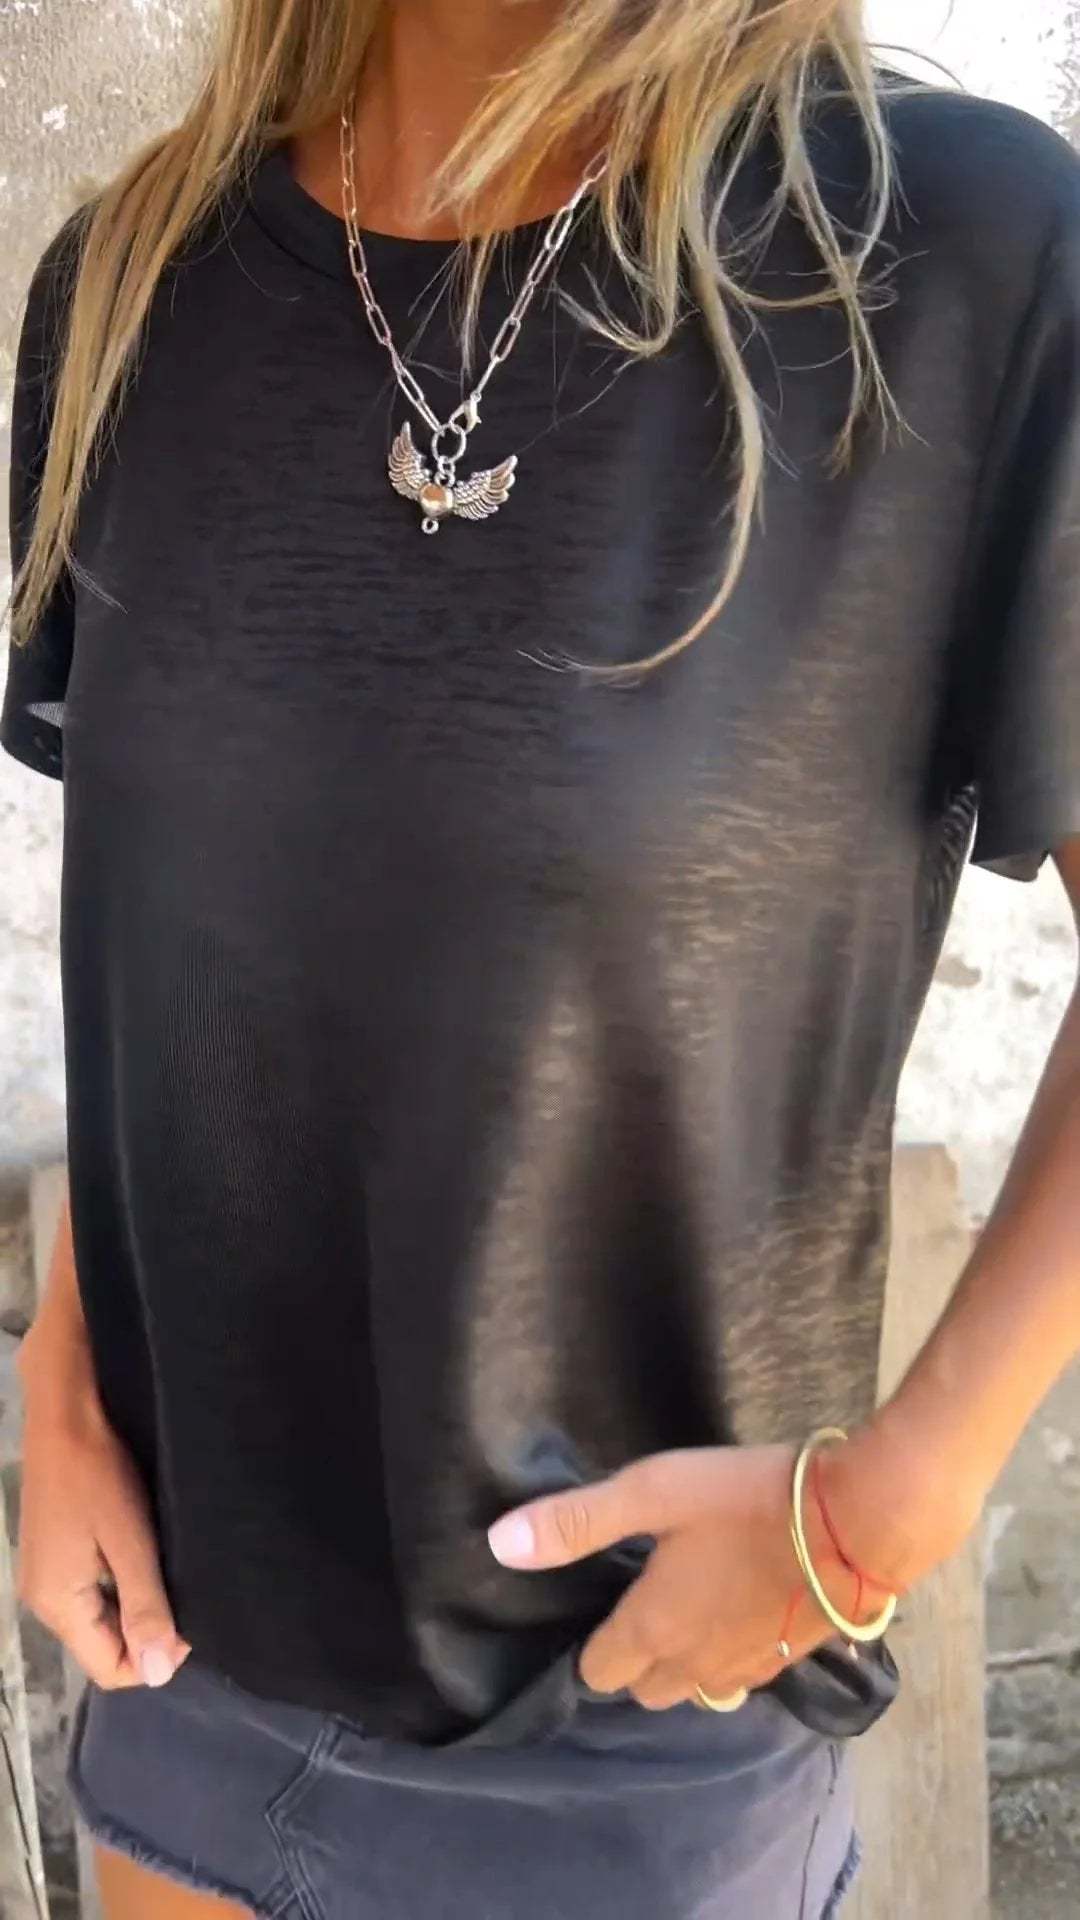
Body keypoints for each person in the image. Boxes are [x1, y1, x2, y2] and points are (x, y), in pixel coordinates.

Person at [4, 1, 1080, 1914]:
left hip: (639, 1727)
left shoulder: (952, 260)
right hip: (181, 1678)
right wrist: (66, 1382)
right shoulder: (135, 287)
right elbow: (180, 953)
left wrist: (891, 1502)